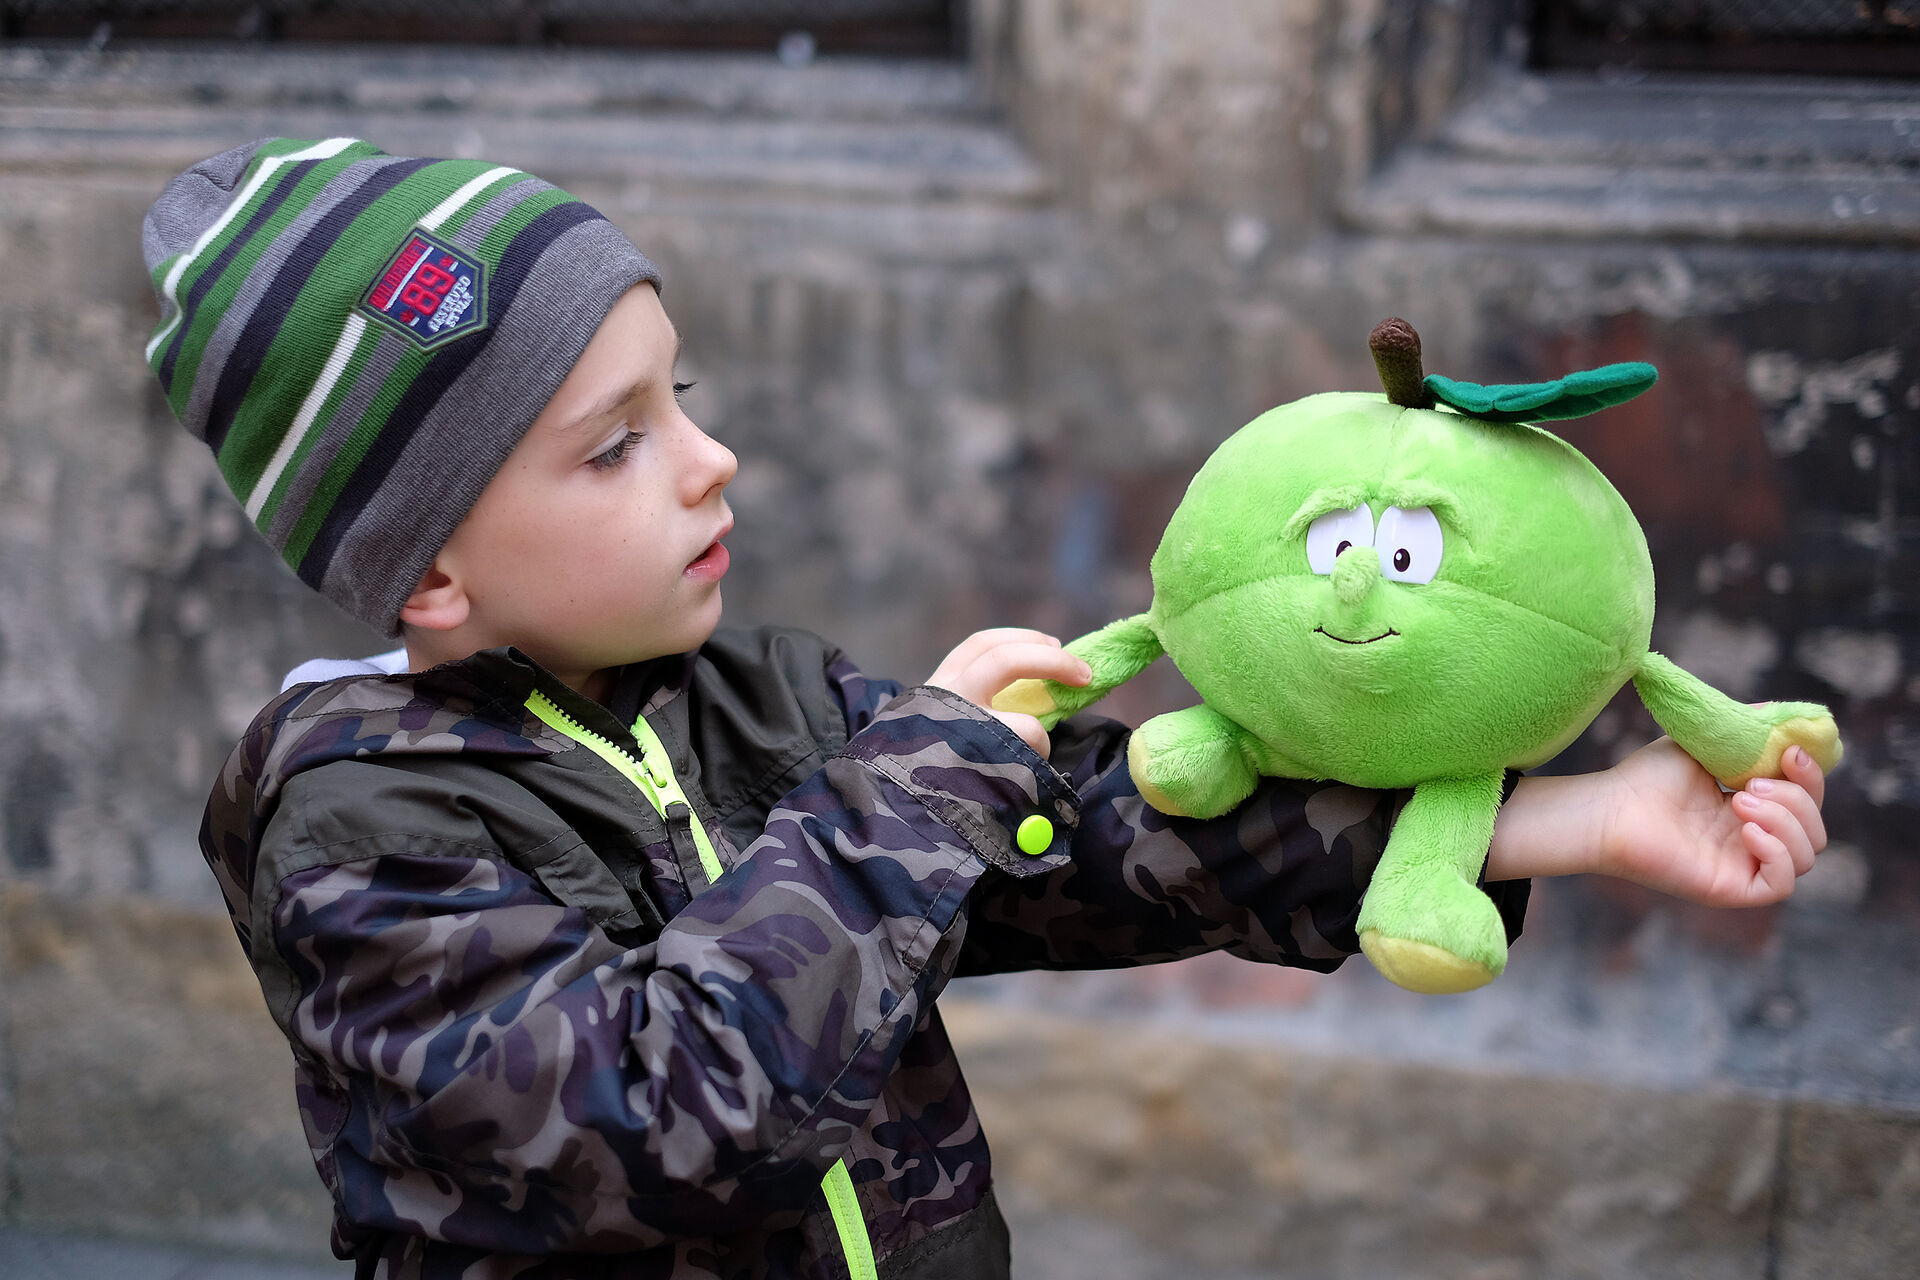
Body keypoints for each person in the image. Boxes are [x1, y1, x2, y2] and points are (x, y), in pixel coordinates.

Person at [146, 139, 1828, 1280]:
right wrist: (911, 785)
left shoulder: (761, 698)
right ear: (426, 567)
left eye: (684, 399)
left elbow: (1092, 839)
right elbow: (656, 1119)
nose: (710, 460)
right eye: (617, 445)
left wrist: (1557, 818)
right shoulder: (366, 831)